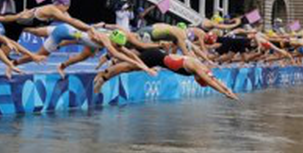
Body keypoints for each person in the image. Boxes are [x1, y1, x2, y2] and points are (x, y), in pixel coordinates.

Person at [96, 48, 239, 100]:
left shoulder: (203, 69)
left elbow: (214, 80)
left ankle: (111, 63)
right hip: (155, 57)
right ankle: (103, 76)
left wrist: (227, 90)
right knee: (128, 67)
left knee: (130, 63)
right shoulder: (198, 69)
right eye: (199, 81)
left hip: (158, 56)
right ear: (198, 79)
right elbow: (211, 82)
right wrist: (224, 93)